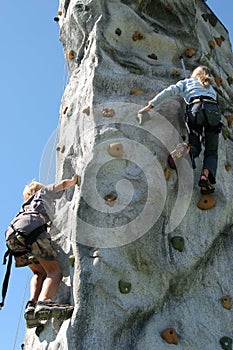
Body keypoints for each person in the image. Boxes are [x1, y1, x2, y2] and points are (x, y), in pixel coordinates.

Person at [4, 174, 79, 328]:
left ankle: (31, 306)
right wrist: (73, 181)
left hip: (12, 235)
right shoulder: (42, 193)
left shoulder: (25, 207)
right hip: (31, 230)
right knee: (54, 271)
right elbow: (62, 185)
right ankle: (45, 302)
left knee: (39, 273)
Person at [138, 66, 222, 194]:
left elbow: (169, 91)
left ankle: (184, 149)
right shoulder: (211, 88)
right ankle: (205, 178)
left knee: (195, 145)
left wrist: (150, 106)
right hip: (213, 112)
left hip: (195, 109)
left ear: (195, 74)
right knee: (211, 151)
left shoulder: (187, 82)